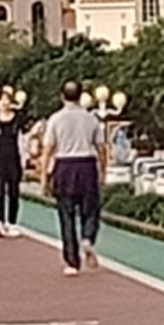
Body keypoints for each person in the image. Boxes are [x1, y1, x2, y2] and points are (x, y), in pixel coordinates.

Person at [40, 79, 109, 274]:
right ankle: (87, 237)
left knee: (66, 214)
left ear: (62, 96)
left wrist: (44, 176)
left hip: (64, 165)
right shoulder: (91, 119)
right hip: (86, 164)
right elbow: (101, 148)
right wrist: (103, 171)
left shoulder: (55, 119)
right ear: (81, 96)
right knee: (91, 209)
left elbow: (47, 149)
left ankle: (72, 261)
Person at [0, 91, 27, 235]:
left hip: (14, 157)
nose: (4, 103)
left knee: (14, 191)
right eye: (1, 100)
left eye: (7, 100)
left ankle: (12, 222)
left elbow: (25, 134)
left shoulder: (19, 118)